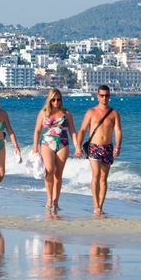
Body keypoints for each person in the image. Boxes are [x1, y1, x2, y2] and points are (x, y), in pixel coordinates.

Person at [74, 85, 123, 214]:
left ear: (109, 96)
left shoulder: (114, 113)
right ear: (97, 96)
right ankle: (95, 205)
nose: (104, 98)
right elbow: (83, 130)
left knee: (104, 178)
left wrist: (118, 146)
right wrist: (78, 147)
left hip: (108, 147)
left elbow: (118, 130)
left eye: (106, 95)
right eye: (102, 95)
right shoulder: (91, 112)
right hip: (94, 147)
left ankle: (101, 206)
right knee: (96, 175)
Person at [31, 88, 76, 213]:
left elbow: (72, 130)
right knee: (49, 171)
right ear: (49, 100)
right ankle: (49, 199)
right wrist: (35, 147)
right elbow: (37, 131)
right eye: (53, 99)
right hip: (47, 144)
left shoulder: (66, 113)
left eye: (58, 99)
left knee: (58, 175)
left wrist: (77, 146)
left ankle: (56, 201)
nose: (56, 102)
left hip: (63, 144)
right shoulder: (43, 112)